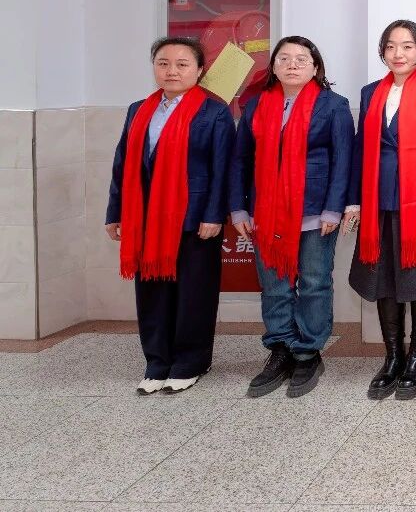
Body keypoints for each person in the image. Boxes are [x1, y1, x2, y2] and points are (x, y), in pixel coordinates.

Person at [105, 36, 234, 395]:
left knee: (194, 292)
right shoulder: (138, 109)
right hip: (144, 218)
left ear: (199, 70)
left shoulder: (214, 111)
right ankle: (157, 361)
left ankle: (191, 361)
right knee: (151, 291)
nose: (172, 71)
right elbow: (122, 165)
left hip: (195, 218)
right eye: (163, 63)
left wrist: (214, 215)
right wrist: (115, 212)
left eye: (182, 64)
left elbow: (222, 169)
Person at [341, 19, 416, 401]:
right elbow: (360, 149)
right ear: (382, 52)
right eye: (391, 46)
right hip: (379, 202)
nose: (399, 53)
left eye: (407, 46)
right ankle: (392, 356)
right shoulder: (370, 92)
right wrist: (354, 201)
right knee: (383, 279)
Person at [229, 36, 353, 399]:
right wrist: (239, 207)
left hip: (315, 212)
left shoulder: (333, 105)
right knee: (275, 285)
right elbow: (240, 159)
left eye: (301, 59)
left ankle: (308, 352)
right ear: (273, 67)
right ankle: (280, 348)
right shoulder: (256, 105)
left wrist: (334, 208)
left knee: (314, 282)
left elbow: (343, 161)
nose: (293, 64)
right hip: (266, 213)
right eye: (284, 58)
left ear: (316, 67)